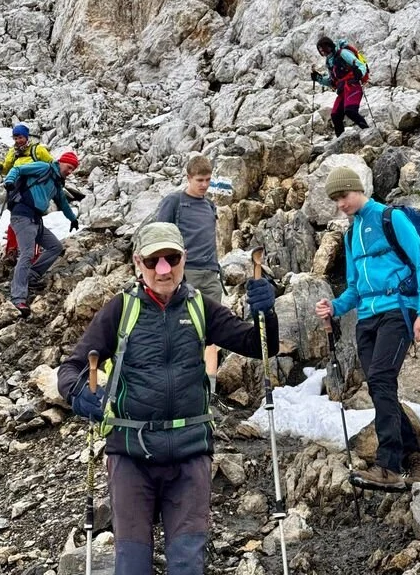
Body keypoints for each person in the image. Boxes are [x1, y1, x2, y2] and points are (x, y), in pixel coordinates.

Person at [57, 222, 279, 575]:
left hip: (189, 455)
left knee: (187, 564)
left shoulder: (200, 308)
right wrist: (78, 393)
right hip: (131, 456)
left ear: (184, 260)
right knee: (132, 565)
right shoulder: (121, 310)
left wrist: (266, 312)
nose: (163, 268)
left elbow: (259, 345)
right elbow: (71, 367)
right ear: (137, 263)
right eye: (153, 260)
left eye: (172, 258)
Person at [314, 167, 420, 491]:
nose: (340, 203)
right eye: (335, 199)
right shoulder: (351, 234)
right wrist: (335, 307)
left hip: (398, 311)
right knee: (381, 386)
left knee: (381, 378)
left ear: (357, 189)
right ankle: (417, 458)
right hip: (367, 319)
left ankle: (389, 466)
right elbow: (354, 288)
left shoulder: (389, 218)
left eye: (343, 196)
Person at [156, 156, 221, 396]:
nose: (204, 185)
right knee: (183, 329)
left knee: (211, 330)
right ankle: (179, 386)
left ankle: (209, 390)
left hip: (211, 274)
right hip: (185, 274)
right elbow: (158, 236)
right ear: (188, 178)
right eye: (199, 180)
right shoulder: (175, 201)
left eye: (208, 180)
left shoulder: (209, 206)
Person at [4, 152, 80, 316]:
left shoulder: (57, 183)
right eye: (69, 167)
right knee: (27, 253)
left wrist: (73, 219)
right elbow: (18, 169)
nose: (70, 171)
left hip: (36, 220)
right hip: (22, 215)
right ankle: (18, 298)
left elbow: (63, 203)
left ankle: (31, 276)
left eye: (73, 169)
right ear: (61, 162)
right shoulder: (44, 167)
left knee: (55, 247)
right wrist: (9, 181)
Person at [0, 124, 54, 262]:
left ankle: (33, 255)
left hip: (34, 190)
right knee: (17, 219)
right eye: (15, 137)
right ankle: (11, 252)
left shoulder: (38, 150)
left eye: (20, 137)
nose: (18, 140)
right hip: (16, 189)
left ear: (26, 137)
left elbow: (51, 164)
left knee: (33, 221)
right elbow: (7, 166)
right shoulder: (13, 152)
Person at [311, 36, 369, 137]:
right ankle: (340, 141)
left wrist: (359, 72)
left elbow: (360, 65)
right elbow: (332, 81)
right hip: (342, 90)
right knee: (335, 115)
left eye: (324, 49)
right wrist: (319, 78)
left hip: (353, 85)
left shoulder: (342, 53)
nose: (323, 52)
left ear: (329, 46)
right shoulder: (329, 62)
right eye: (321, 51)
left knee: (350, 110)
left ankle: (369, 132)